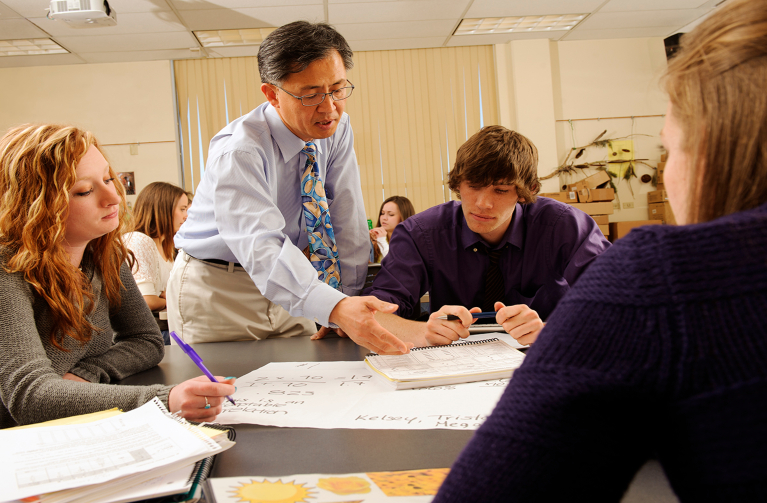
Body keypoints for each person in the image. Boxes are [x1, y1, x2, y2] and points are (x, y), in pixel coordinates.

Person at [433, 0, 767, 500]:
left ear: (713, 155)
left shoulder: (665, 276)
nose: (482, 202)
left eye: (670, 148)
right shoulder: (425, 229)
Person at [168, 21, 410, 355]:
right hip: (219, 288)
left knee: (307, 380)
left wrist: (345, 300)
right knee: (227, 394)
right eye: (310, 95)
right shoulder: (239, 150)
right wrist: (334, 306)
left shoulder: (336, 127)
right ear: (272, 94)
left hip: (292, 281)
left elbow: (346, 217)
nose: (328, 108)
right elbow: (261, 246)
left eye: (338, 89)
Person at [0, 124, 234, 428]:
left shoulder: (103, 253)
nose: (113, 197)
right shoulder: (8, 267)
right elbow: (30, 396)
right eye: (84, 190)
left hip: (81, 421)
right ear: (36, 204)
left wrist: (88, 373)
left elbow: (146, 341)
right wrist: (165, 401)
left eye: (109, 178)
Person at [361, 126, 609, 347]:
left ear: (526, 191)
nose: (482, 203)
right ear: (458, 184)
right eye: (473, 185)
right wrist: (423, 332)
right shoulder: (421, 233)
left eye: (501, 190)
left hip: (546, 359)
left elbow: (618, 301)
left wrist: (553, 332)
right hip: (453, 368)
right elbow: (374, 313)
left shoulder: (564, 225)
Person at [124, 182, 189, 344]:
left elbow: (166, 293)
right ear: (162, 210)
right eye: (182, 209)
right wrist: (172, 298)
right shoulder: (140, 241)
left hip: (164, 326)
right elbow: (147, 300)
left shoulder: (167, 248)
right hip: (150, 333)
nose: (186, 216)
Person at [370, 195, 415, 263]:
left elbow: (396, 265)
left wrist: (382, 241)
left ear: (403, 217)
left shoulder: (409, 243)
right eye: (382, 213)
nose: (384, 218)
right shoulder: (376, 240)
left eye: (391, 214)